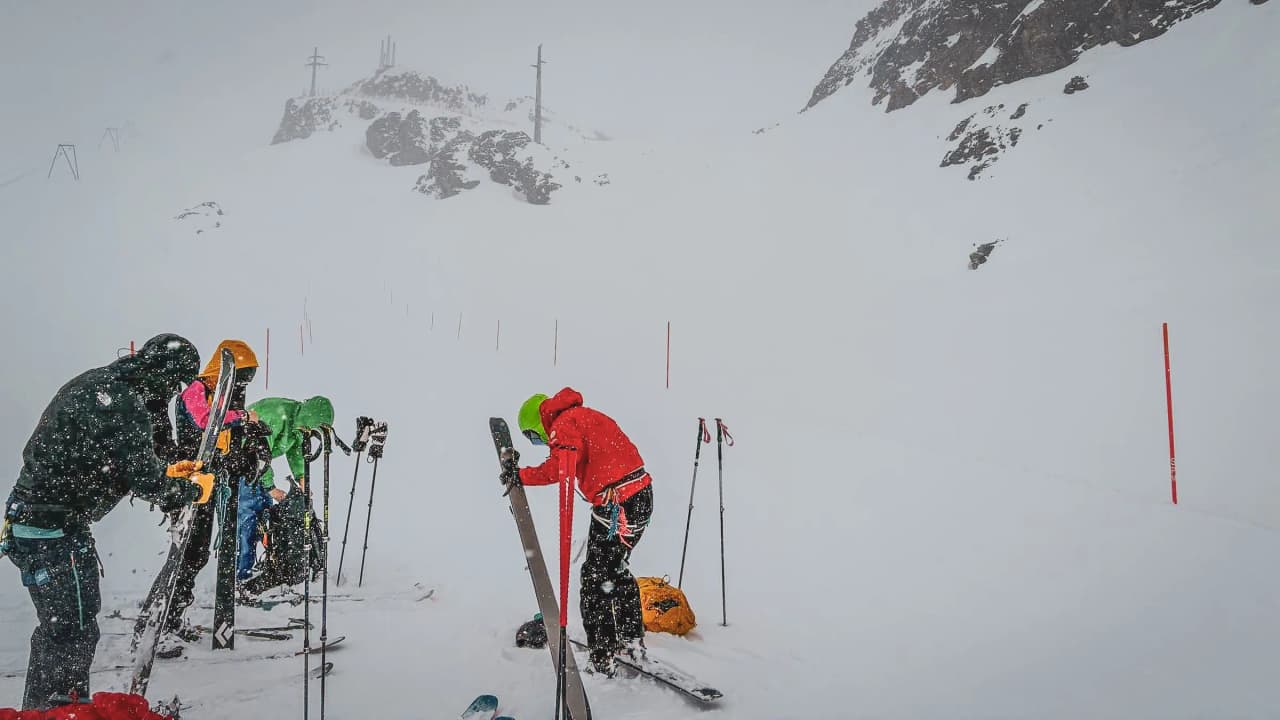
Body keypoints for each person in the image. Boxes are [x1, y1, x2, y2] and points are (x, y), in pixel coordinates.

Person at [1, 334, 214, 710]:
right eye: (172, 384)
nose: (170, 394)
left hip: (35, 522)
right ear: (162, 374)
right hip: (52, 531)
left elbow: (121, 463)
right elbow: (145, 480)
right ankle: (61, 712)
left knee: (59, 629)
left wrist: (168, 473)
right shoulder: (123, 403)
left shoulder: (99, 383)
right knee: (71, 630)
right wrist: (192, 491)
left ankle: (47, 711)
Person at [505, 387, 655, 677]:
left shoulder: (563, 424)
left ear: (539, 421)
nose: (540, 441)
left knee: (594, 578)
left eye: (534, 435)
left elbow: (561, 467)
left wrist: (521, 475)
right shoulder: (585, 416)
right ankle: (629, 638)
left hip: (616, 505)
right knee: (615, 569)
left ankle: (602, 656)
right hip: (641, 496)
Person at [160, 340, 259, 654]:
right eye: (241, 376)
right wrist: (241, 417)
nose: (242, 385)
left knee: (198, 553)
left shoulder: (222, 395)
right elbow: (206, 421)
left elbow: (220, 440)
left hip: (209, 481)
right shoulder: (195, 389)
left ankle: (173, 618)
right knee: (186, 553)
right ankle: (160, 622)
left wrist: (244, 450)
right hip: (190, 480)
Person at [239, 396, 334, 596]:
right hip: (242, 467)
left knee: (265, 520)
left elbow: (295, 452)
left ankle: (266, 565)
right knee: (248, 521)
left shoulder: (298, 424)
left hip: (257, 470)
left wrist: (302, 479)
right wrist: (271, 487)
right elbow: (258, 452)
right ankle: (241, 576)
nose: (309, 434)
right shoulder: (276, 415)